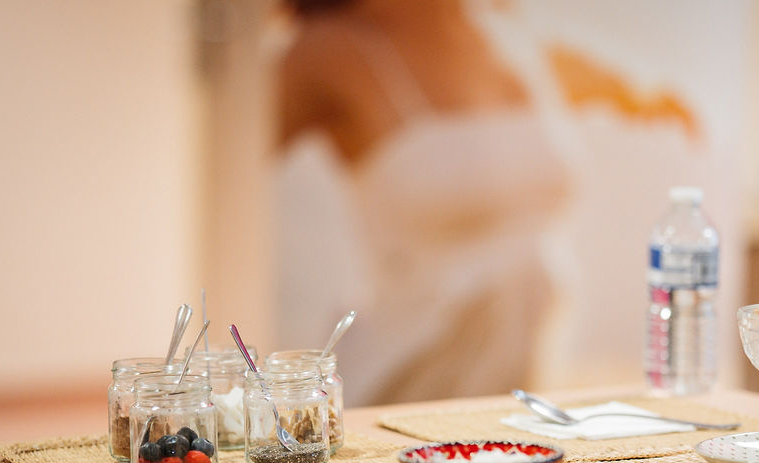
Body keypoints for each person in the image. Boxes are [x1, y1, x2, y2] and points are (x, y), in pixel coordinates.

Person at [273, 0, 699, 405]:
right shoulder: (327, 52)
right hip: (409, 376)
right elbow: (230, 153)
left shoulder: (515, 37)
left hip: (520, 381)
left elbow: (629, 90)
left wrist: (653, 99)